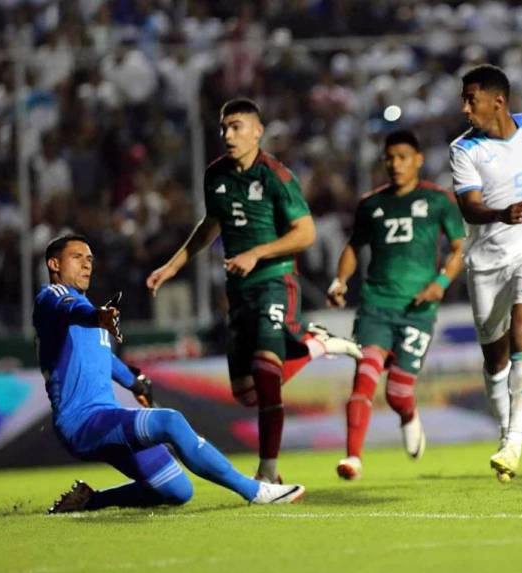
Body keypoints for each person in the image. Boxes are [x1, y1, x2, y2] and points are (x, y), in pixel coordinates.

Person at [146, 98, 361, 484]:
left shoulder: (277, 176)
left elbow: (306, 233)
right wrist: (173, 264)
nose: (228, 135)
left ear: (257, 131)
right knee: (247, 393)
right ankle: (317, 345)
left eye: (237, 127)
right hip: (240, 290)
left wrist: (257, 252)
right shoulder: (216, 175)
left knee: (266, 370)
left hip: (276, 282)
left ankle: (269, 472)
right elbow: (212, 223)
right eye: (224, 128)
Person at [36, 234, 305, 513]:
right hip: (83, 422)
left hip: (103, 418)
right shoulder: (52, 298)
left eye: (90, 258)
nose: (87, 265)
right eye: (77, 257)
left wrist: (136, 382)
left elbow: (105, 360)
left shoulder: (90, 311)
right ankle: (256, 490)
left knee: (177, 490)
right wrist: (96, 317)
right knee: (170, 422)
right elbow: (70, 308)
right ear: (54, 264)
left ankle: (91, 500)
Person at [327, 130, 466, 480]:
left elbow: (459, 249)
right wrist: (340, 280)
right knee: (364, 377)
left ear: (418, 159)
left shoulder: (438, 200)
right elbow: (352, 246)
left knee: (397, 392)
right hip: (375, 305)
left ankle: (408, 414)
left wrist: (441, 284)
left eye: (403, 156)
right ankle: (353, 458)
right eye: (389, 157)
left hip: (417, 311)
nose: (395, 164)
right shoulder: (371, 204)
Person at [449, 65, 522, 482]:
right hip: (486, 263)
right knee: (495, 361)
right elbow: (468, 206)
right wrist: (501, 213)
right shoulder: (464, 149)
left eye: (470, 99)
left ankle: (514, 444)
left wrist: (521, 217)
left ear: (498, 101)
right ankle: (503, 431)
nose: (464, 107)